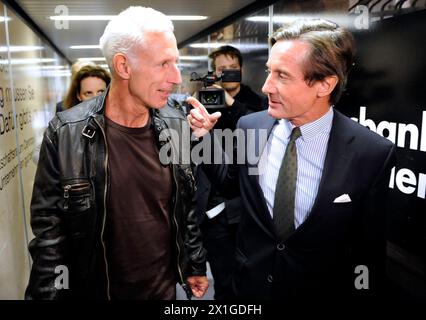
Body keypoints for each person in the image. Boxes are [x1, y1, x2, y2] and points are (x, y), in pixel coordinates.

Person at [187, 19, 396, 300]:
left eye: (282, 75)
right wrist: (204, 138)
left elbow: (366, 251)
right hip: (248, 290)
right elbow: (230, 182)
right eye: (268, 71)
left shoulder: (371, 153)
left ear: (324, 84)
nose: (265, 86)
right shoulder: (251, 127)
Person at [26, 6, 208, 300]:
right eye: (163, 64)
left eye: (176, 62)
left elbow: (185, 208)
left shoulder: (176, 125)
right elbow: (50, 235)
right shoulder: (66, 132)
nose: (176, 77)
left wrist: (195, 263)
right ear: (123, 66)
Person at [195, 45, 267, 299]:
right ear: (213, 72)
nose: (227, 74)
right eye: (221, 70)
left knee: (250, 280)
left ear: (242, 70)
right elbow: (195, 147)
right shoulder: (202, 99)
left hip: (245, 203)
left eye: (233, 69)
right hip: (213, 205)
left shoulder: (258, 102)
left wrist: (229, 102)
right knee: (223, 281)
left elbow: (257, 129)